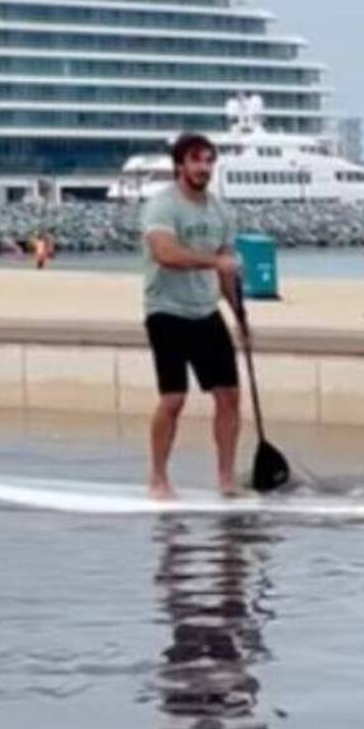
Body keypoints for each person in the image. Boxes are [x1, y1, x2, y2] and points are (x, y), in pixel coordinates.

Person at [141, 132, 242, 499]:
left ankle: (227, 480)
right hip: (166, 311)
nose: (204, 168)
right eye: (196, 160)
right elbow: (165, 253)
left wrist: (239, 316)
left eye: (209, 161)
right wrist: (215, 260)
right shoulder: (161, 207)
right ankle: (157, 479)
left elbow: (227, 269)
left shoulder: (221, 211)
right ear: (180, 165)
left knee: (229, 396)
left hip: (206, 311)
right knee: (174, 399)